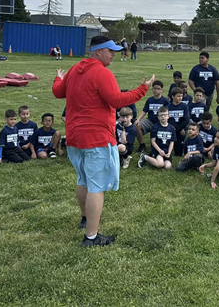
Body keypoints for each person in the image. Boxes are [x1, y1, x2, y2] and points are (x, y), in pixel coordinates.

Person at [52, 35, 155, 247]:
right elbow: (117, 100)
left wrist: (58, 78)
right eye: (111, 51)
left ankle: (85, 219)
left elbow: (57, 92)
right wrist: (143, 88)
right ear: (99, 51)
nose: (114, 55)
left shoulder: (74, 69)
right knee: (96, 186)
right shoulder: (102, 73)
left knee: (82, 180)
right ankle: (91, 237)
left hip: (74, 137)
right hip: (96, 138)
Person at [134, 81, 169, 153]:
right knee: (137, 125)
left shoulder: (165, 100)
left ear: (161, 90)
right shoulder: (150, 100)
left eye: (158, 89)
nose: (156, 90)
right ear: (152, 89)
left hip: (160, 122)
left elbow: (168, 112)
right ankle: (142, 145)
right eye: (154, 88)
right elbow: (144, 111)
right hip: (150, 121)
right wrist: (138, 119)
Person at [167, 88, 190, 156]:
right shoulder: (168, 107)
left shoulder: (184, 106)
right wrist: (172, 128)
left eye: (181, 96)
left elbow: (186, 119)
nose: (180, 98)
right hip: (171, 128)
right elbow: (167, 120)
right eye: (178, 96)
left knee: (178, 154)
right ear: (173, 96)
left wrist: (181, 129)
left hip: (181, 128)